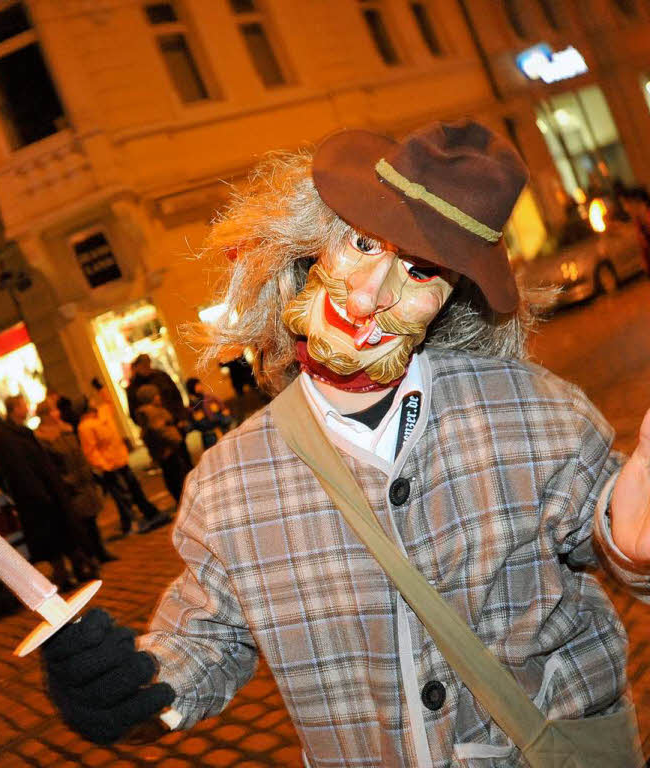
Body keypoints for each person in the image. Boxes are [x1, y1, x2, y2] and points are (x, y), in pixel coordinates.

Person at [39, 121, 650, 764]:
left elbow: (608, 525)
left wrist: (632, 544)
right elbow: (203, 646)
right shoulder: (229, 485)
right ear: (309, 246)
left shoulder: (532, 408)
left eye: (419, 272)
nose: (367, 294)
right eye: (360, 242)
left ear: (449, 300)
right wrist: (128, 687)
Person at [0, 395, 96, 589]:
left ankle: (77, 568)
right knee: (53, 538)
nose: (27, 407)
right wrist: (40, 494)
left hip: (48, 492)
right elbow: (21, 470)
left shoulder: (19, 432)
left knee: (63, 533)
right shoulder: (8, 437)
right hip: (38, 498)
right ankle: (66, 574)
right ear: (14, 409)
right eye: (24, 405)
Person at [34, 398, 116, 564]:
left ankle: (100, 551)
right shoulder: (42, 438)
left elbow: (79, 453)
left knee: (92, 519)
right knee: (80, 523)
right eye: (53, 410)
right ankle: (89, 556)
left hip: (83, 480)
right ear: (46, 414)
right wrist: (66, 481)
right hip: (70, 485)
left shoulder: (67, 430)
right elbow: (51, 465)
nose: (57, 413)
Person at [77, 384, 162, 536]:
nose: (93, 402)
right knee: (122, 497)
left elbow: (109, 402)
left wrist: (101, 389)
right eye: (90, 401)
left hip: (120, 459)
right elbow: (91, 451)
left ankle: (148, 513)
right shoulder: (85, 426)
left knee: (135, 488)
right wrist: (104, 465)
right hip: (110, 466)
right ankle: (131, 522)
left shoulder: (102, 414)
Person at [133, 384, 192, 504]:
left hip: (163, 451)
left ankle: (182, 500)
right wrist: (176, 439)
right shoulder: (152, 412)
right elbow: (162, 430)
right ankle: (185, 501)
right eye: (156, 396)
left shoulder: (149, 412)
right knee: (177, 476)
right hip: (168, 449)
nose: (159, 397)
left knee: (172, 476)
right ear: (150, 398)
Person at [125, 355, 187, 429]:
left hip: (175, 421)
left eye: (147, 363)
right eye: (143, 365)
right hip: (155, 428)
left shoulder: (161, 376)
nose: (146, 366)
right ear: (137, 367)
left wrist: (181, 417)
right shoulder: (133, 388)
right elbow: (135, 413)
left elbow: (176, 396)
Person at [184, 377, 231, 450]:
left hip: (222, 429)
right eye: (197, 385)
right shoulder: (192, 406)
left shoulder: (210, 397)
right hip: (209, 436)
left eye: (199, 384)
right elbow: (195, 423)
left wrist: (222, 418)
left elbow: (224, 410)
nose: (200, 386)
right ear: (192, 388)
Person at [618, 185, 650, 273]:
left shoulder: (647, 220)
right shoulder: (639, 224)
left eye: (625, 203)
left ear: (636, 202)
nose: (625, 209)